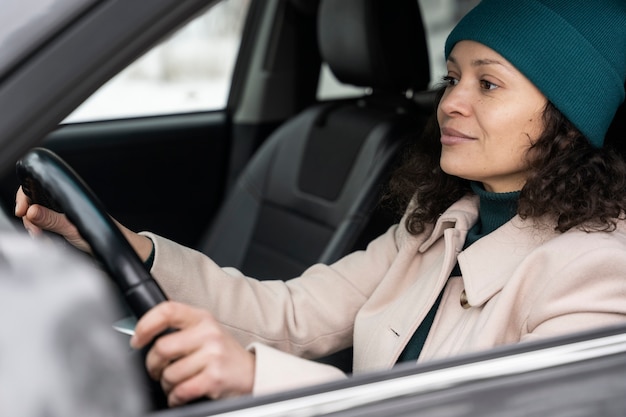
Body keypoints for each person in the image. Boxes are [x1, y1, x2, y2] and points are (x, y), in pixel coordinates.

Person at [14, 0, 626, 408]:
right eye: (452, 78)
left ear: (570, 119)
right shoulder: (439, 225)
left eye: (486, 83)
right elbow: (287, 316)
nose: (450, 103)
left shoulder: (598, 270)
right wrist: (128, 249)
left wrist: (258, 379)